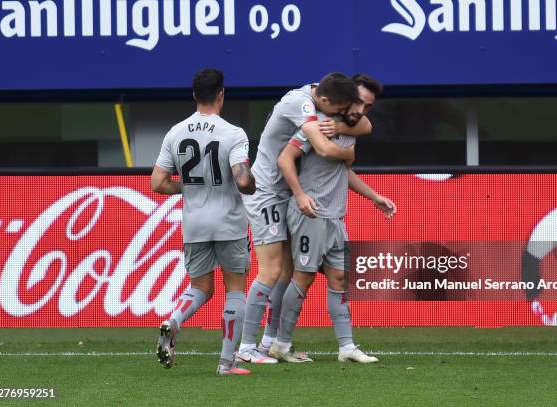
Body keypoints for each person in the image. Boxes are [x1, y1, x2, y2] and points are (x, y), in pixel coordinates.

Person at [236, 73, 372, 364]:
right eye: (341, 108)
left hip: (284, 193)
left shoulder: (320, 98)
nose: (350, 113)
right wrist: (347, 155)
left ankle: (271, 343)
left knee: (285, 273)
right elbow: (321, 148)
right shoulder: (302, 104)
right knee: (271, 271)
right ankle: (246, 347)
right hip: (266, 191)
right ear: (325, 101)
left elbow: (365, 124)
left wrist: (338, 124)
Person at [271, 77, 396, 363]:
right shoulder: (316, 125)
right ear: (346, 99)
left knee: (339, 278)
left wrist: (373, 196)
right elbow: (285, 158)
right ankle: (280, 343)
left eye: (369, 106)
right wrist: (300, 195)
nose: (363, 110)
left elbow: (343, 171)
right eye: (359, 103)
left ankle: (346, 348)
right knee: (302, 278)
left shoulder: (350, 129)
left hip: (336, 215)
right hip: (310, 213)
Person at [151, 68, 256, 375]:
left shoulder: (176, 132)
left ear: (194, 95)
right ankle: (226, 362)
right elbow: (241, 178)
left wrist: (186, 186)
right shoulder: (233, 133)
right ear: (221, 94)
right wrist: (251, 184)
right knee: (235, 288)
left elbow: (157, 183)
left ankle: (174, 321)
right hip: (229, 223)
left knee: (200, 287)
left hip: (194, 223)